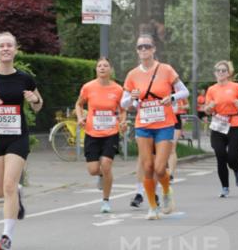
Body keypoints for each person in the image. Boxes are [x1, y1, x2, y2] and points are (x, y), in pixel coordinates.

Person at [0, 32, 42, 250]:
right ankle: (18, 193)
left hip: (17, 137)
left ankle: (6, 237)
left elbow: (37, 104)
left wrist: (35, 100)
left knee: (8, 185)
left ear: (15, 50)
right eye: (1, 46)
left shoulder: (25, 78)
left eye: (9, 45)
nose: (5, 49)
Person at [121, 34, 189, 220]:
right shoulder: (132, 74)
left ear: (153, 49)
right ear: (137, 51)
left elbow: (184, 90)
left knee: (160, 168)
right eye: (140, 47)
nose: (143, 50)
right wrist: (132, 98)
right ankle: (152, 207)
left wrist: (172, 97)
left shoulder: (166, 69)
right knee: (147, 166)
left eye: (147, 46)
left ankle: (166, 192)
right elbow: (124, 103)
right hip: (143, 125)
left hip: (164, 124)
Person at [75, 57, 126, 213]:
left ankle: (105, 201)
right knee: (93, 169)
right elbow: (79, 104)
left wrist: (122, 122)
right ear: (96, 69)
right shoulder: (88, 87)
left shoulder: (118, 89)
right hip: (92, 132)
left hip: (111, 132)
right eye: (99, 66)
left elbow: (123, 109)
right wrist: (80, 117)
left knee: (106, 165)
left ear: (110, 70)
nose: (102, 68)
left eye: (106, 66)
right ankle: (101, 176)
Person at [204, 60, 238, 197]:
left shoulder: (235, 86)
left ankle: (236, 169)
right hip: (218, 125)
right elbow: (206, 110)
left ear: (228, 73)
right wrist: (209, 107)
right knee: (220, 156)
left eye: (224, 70)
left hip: (234, 124)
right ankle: (225, 188)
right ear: (215, 73)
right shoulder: (211, 89)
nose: (221, 73)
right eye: (218, 71)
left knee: (232, 158)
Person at [168, 92, 189, 181]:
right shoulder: (162, 89)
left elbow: (188, 105)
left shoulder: (180, 92)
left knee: (172, 147)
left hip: (176, 119)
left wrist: (181, 107)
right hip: (163, 119)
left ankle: (170, 174)